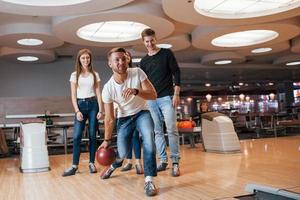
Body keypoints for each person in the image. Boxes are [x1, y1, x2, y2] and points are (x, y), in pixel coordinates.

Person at [99, 47, 158, 197]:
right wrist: (106, 140)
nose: (121, 62)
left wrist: (136, 91)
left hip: (142, 113)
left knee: (149, 139)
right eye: (116, 60)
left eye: (123, 59)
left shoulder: (137, 72)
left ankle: (149, 180)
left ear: (128, 60)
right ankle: (114, 165)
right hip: (124, 118)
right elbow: (110, 118)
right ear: (110, 64)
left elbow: (153, 95)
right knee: (123, 152)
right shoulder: (108, 88)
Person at [140, 28, 181, 177]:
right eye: (147, 41)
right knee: (157, 131)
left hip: (167, 97)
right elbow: (143, 83)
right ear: (143, 42)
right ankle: (163, 161)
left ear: (155, 39)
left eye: (152, 40)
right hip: (151, 100)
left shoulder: (166, 54)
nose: (150, 44)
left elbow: (176, 72)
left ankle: (175, 162)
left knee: (171, 129)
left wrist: (176, 94)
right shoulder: (144, 61)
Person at [62, 48, 104, 176]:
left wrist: (101, 110)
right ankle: (74, 166)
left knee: (92, 135)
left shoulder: (95, 74)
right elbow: (73, 95)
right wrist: (76, 110)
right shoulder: (74, 75)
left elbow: (98, 92)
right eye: (83, 58)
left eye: (87, 57)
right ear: (79, 60)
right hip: (80, 105)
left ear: (90, 59)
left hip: (93, 105)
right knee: (76, 136)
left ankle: (91, 163)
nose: (85, 60)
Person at [121, 51, 143, 174]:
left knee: (135, 136)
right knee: (126, 137)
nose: (125, 59)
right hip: (124, 111)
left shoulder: (136, 73)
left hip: (137, 109)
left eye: (127, 57)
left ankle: (138, 162)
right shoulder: (119, 74)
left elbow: (142, 91)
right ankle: (129, 162)